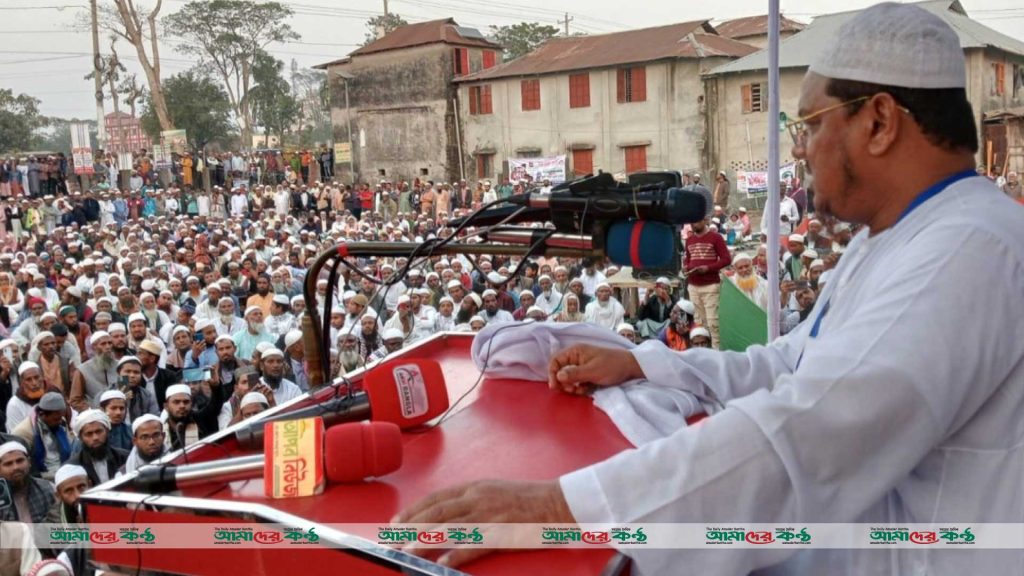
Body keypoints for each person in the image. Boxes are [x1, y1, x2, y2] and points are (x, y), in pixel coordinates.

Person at [390, 6, 1024, 574]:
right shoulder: (892, 236)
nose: (800, 149)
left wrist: (558, 504)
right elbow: (789, 366)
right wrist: (643, 362)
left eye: (810, 123)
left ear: (880, 121)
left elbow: (808, 430)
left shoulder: (968, 249)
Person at [684, 217, 731, 348]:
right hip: (693, 286)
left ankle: (717, 355)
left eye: (697, 221)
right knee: (700, 323)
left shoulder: (716, 238)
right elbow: (688, 259)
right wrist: (687, 268)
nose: (694, 224)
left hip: (710, 285)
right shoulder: (689, 240)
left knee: (713, 324)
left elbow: (727, 259)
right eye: (692, 222)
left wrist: (708, 268)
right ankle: (704, 353)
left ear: (705, 220)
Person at [12, 391, 72, 481]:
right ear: (42, 414)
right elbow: (26, 466)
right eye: (56, 419)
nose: (60, 421)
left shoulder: (60, 422)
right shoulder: (23, 432)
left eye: (60, 418)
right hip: (41, 476)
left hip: (64, 469)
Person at [67, 409, 127, 486]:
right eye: (89, 434)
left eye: (99, 431)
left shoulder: (124, 458)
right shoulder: (73, 466)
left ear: (107, 431)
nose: (95, 438)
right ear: (81, 438)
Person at [0, 441, 55, 523]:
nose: (16, 467)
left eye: (20, 461)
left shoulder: (47, 488)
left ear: (29, 462)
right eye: (8, 464)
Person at [98, 389, 132, 453]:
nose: (118, 412)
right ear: (102, 409)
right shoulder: (94, 432)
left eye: (121, 408)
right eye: (113, 408)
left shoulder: (131, 431)